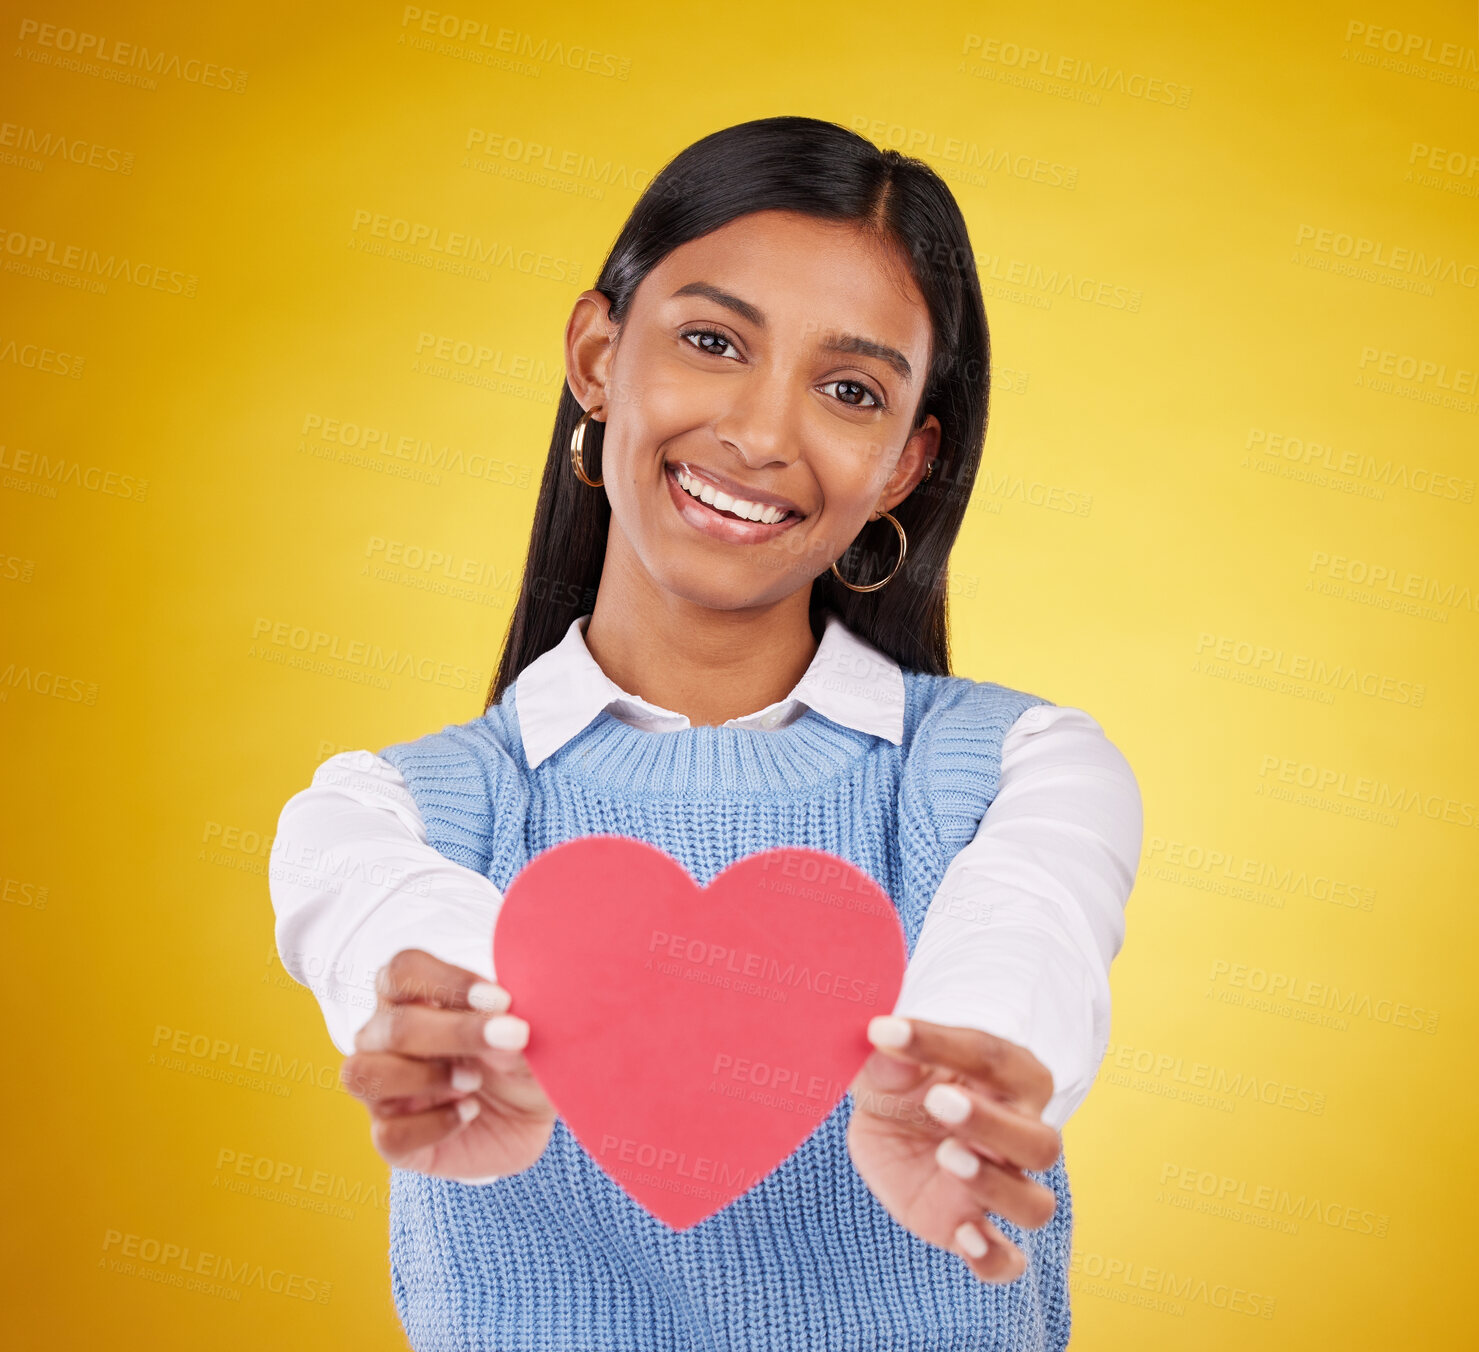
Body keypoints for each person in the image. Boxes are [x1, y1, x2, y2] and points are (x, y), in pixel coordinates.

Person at [269, 115, 1143, 1351]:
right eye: (713, 341)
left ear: (905, 462)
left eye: (850, 390)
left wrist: (966, 1072)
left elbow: (1030, 928)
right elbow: (381, 915)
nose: (762, 433)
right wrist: (475, 1023)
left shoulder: (1017, 769)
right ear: (595, 353)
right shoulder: (390, 809)